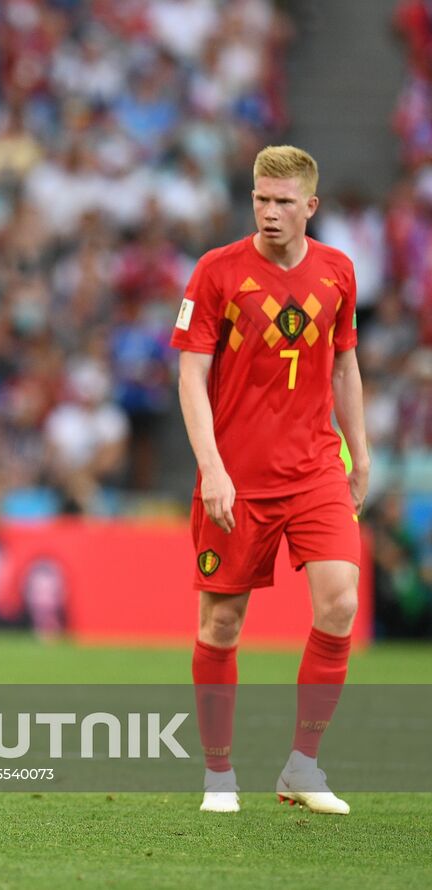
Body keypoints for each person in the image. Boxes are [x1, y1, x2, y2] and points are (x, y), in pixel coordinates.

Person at [172, 145, 368, 816]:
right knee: (221, 625)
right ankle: (219, 774)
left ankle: (303, 766)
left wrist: (360, 454)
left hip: (316, 466)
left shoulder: (339, 272)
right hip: (238, 477)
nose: (270, 212)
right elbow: (191, 375)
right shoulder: (217, 272)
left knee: (340, 603)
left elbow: (344, 365)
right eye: (261, 199)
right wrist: (213, 467)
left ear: (311, 206)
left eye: (284, 201)